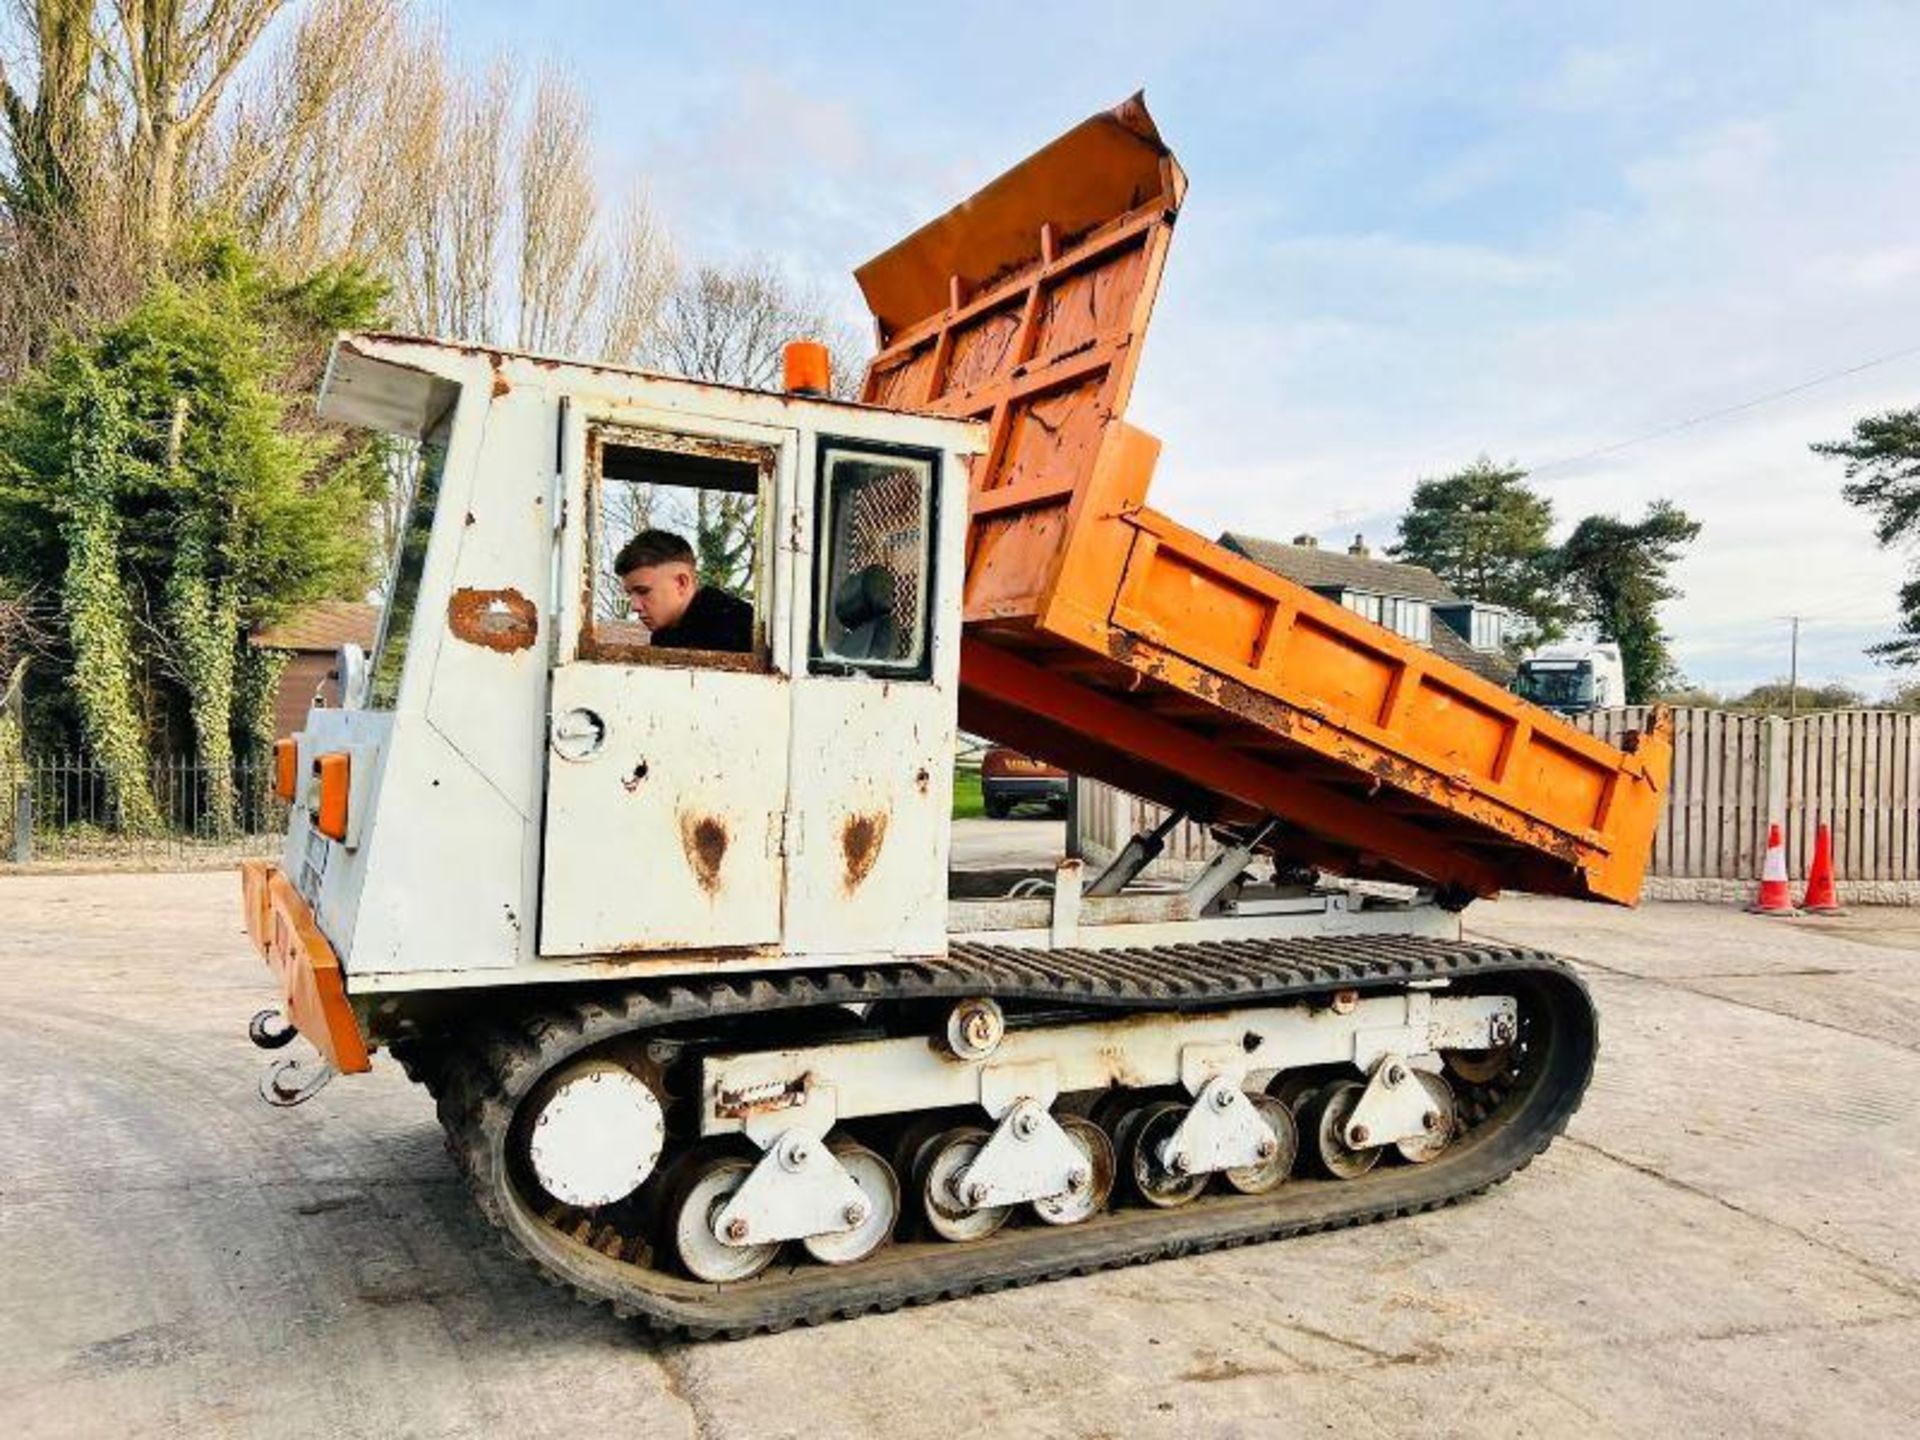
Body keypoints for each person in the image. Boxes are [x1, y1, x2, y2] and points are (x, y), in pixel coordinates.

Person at [614, 529, 754, 653]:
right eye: (629, 594)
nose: (634, 606)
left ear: (681, 583)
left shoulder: (740, 630)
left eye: (643, 591)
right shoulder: (665, 636)